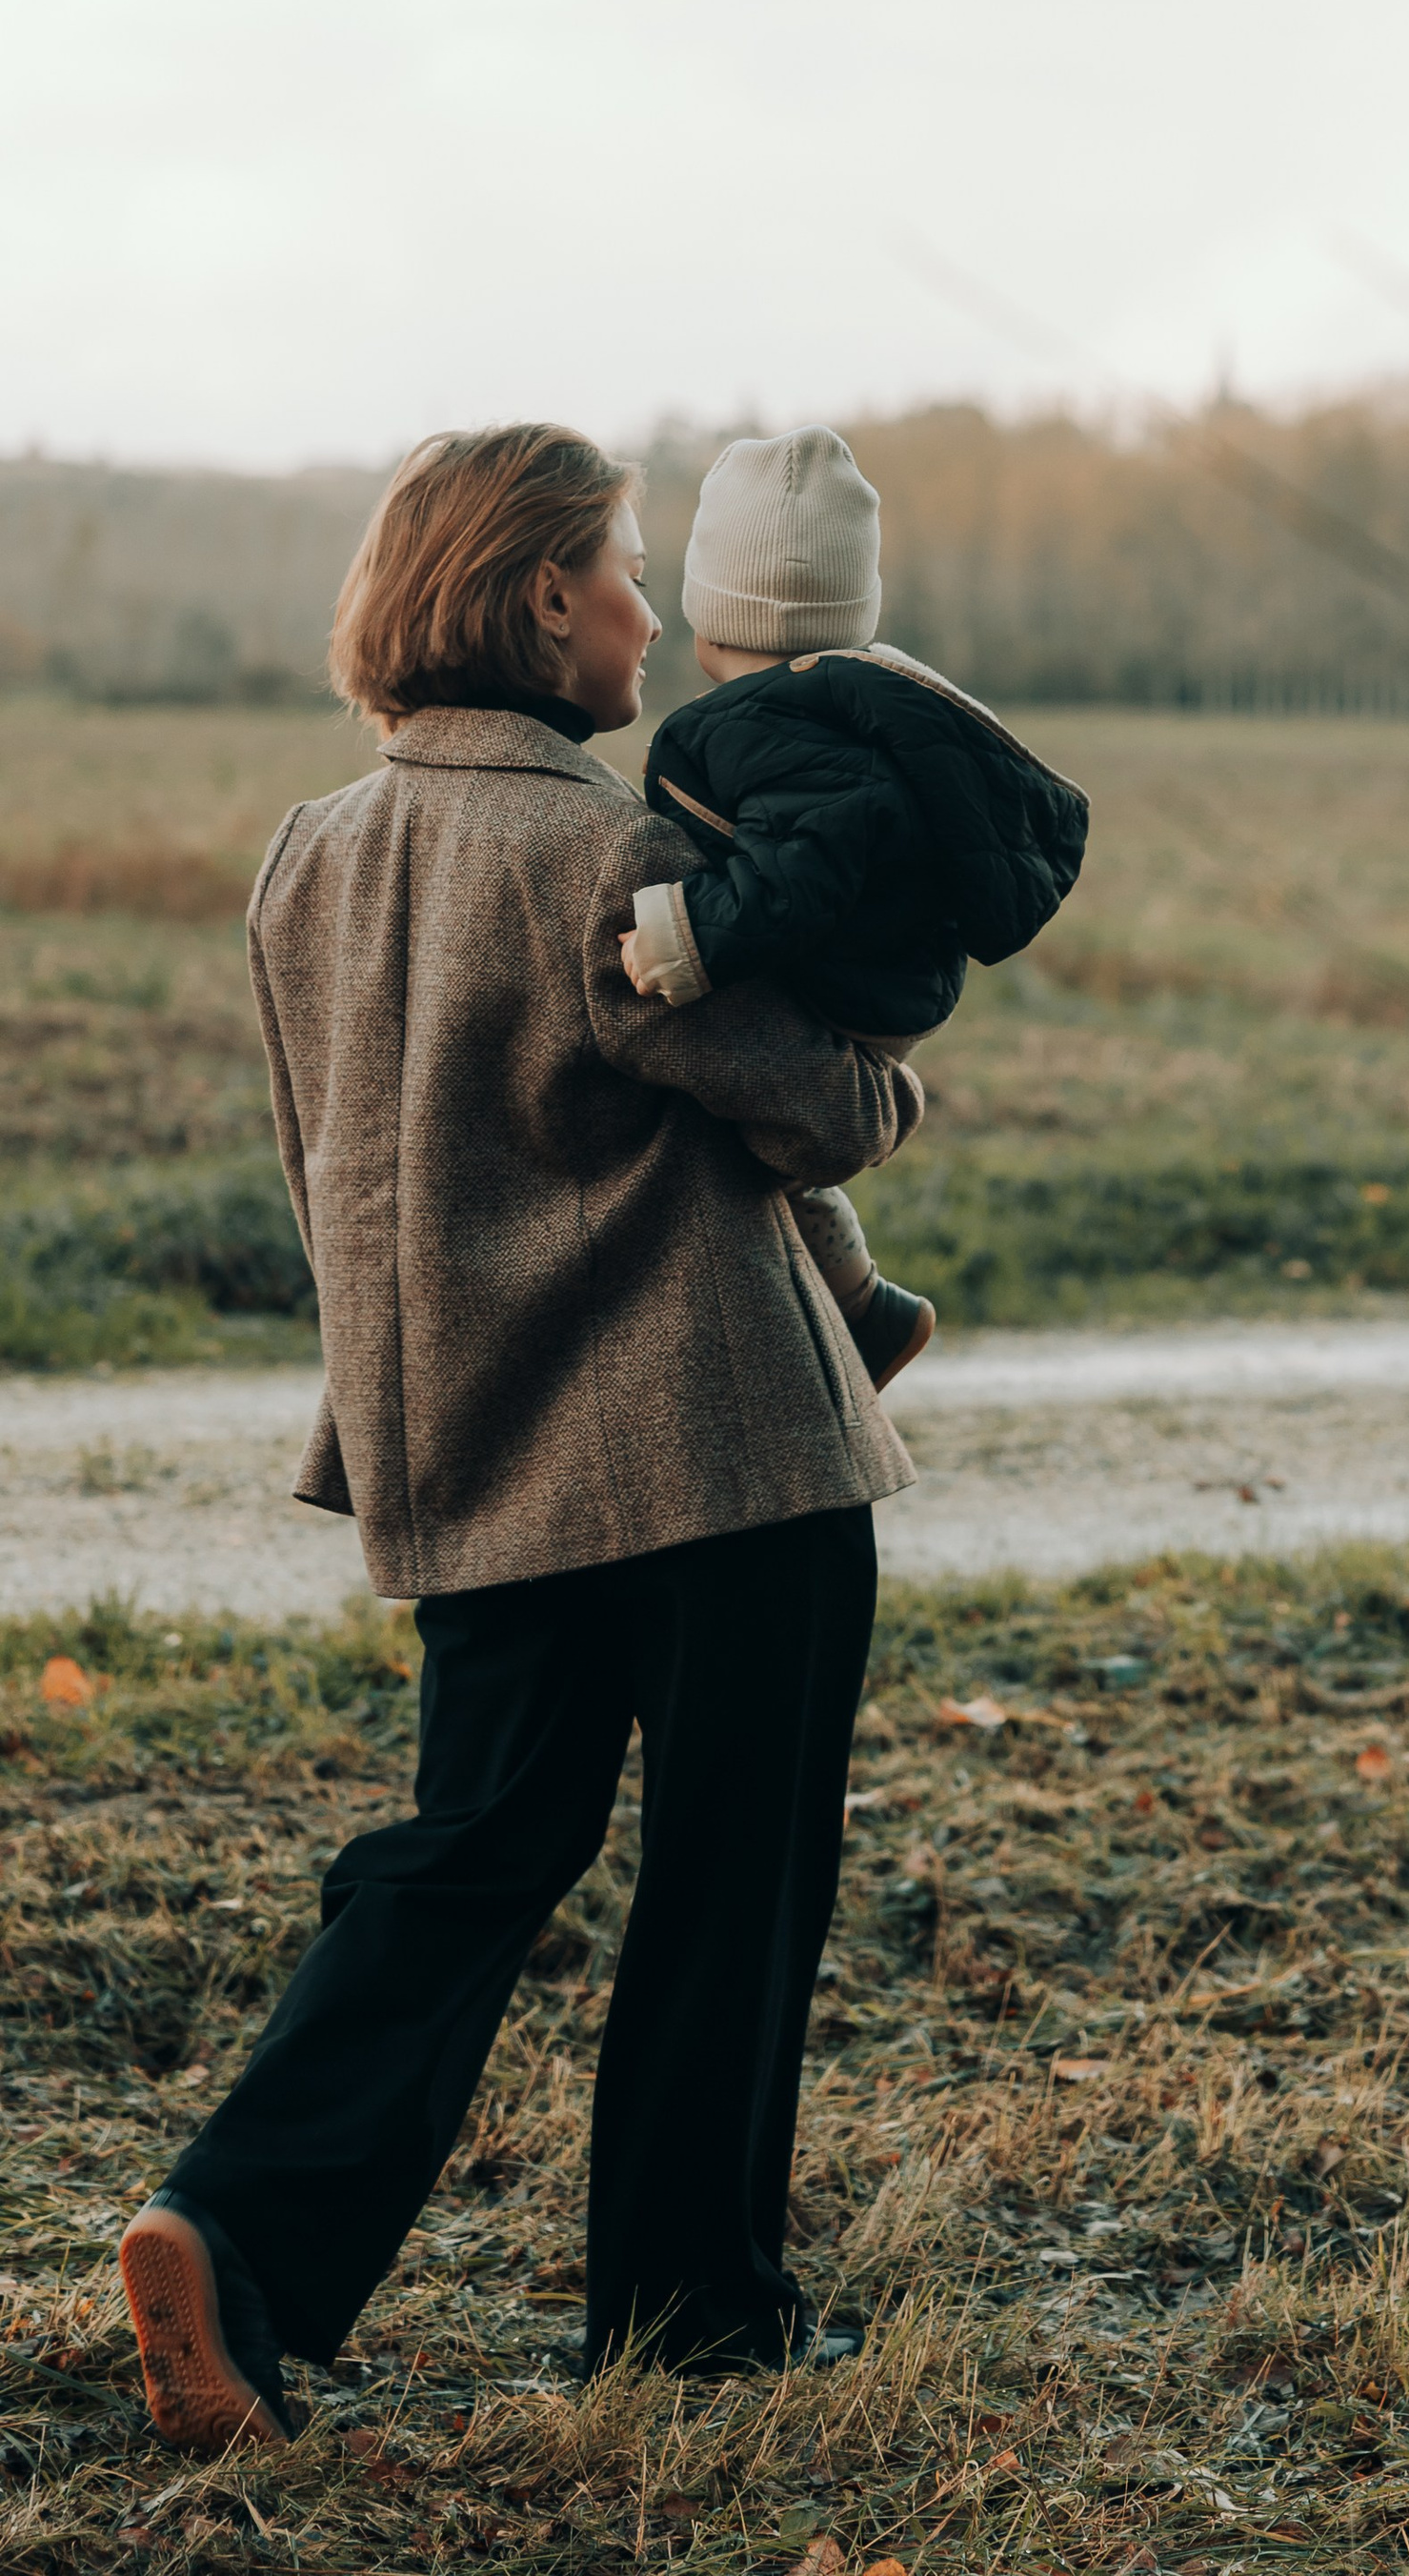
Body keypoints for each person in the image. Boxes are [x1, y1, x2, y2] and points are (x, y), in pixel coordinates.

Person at [116, 424, 928, 2457]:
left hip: (472, 1456)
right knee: (731, 1883)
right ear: (544, 596)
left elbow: (337, 1177)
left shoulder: (310, 854)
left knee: (466, 1859)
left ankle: (237, 2228)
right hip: (721, 1453)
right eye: (629, 569)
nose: (654, 612)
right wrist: (884, 1057)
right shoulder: (606, 852)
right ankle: (691, 2322)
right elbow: (814, 1112)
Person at [619, 424, 1089, 1375]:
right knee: (759, 1146)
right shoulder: (856, 706)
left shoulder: (769, 726)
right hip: (889, 979)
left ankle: (866, 1306)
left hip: (854, 993)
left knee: (739, 1138)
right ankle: (863, 1288)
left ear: (709, 613)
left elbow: (803, 870)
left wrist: (685, 936)